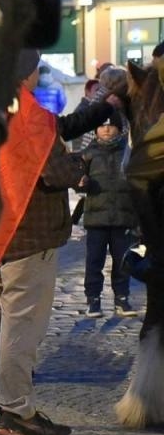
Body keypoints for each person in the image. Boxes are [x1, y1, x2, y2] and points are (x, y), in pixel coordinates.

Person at [0, 56, 120, 435]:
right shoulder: (28, 113)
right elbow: (54, 172)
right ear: (24, 72)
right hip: (30, 235)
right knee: (21, 324)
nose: (38, 74)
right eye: (36, 68)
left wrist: (99, 107)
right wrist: (80, 165)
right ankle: (17, 410)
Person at [78, 116, 141, 317]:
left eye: (110, 126)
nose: (106, 130)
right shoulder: (88, 154)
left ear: (119, 128)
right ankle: (93, 300)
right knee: (94, 261)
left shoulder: (128, 153)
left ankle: (122, 299)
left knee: (122, 260)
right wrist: (80, 182)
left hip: (123, 217)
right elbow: (76, 180)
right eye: (101, 125)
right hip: (96, 219)